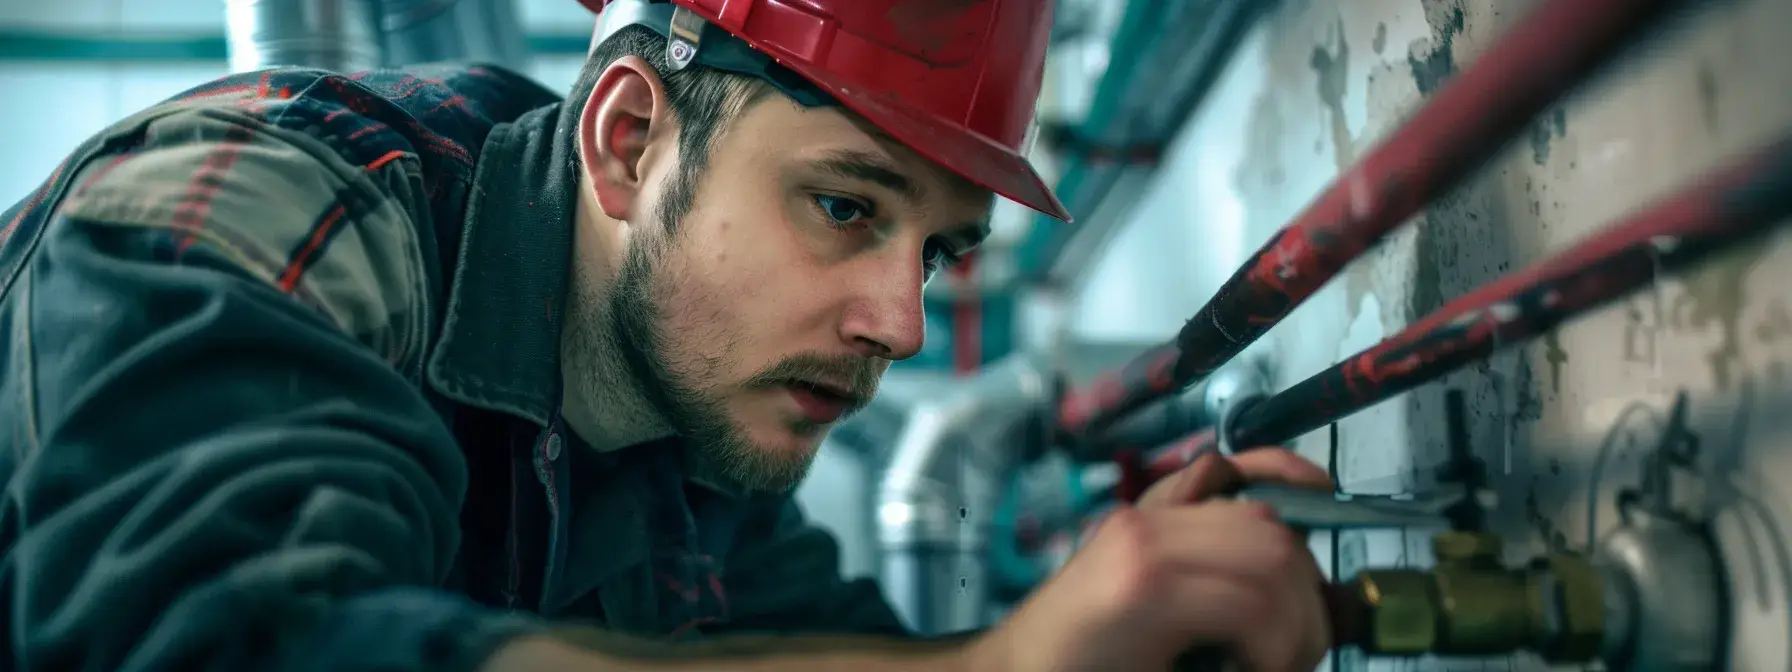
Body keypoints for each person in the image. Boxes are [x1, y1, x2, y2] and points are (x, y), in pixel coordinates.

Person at [0, 0, 1334, 670]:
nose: (899, 323)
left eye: (933, 250)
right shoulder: (260, 212)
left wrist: (1121, 620)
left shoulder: (689, 426)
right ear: (628, 137)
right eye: (842, 204)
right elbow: (232, 644)